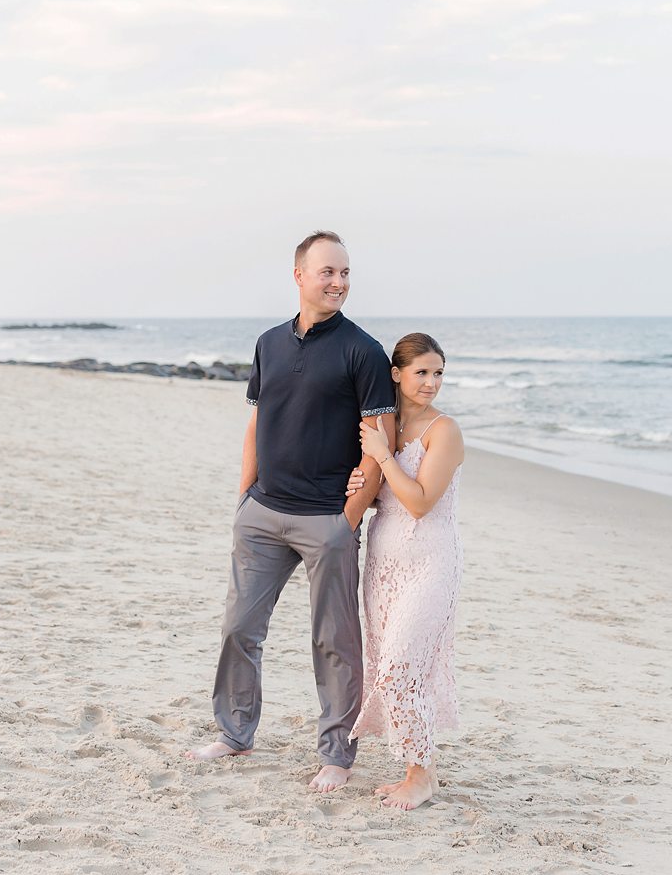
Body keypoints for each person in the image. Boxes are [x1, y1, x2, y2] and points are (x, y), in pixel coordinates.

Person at [185, 231, 397, 794]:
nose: (339, 282)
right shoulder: (268, 343)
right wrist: (243, 498)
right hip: (262, 512)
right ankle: (234, 734)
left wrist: (346, 519)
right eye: (328, 272)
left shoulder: (364, 351)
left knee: (334, 640)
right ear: (299, 275)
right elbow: (258, 421)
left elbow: (381, 440)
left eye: (346, 273)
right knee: (239, 628)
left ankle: (336, 754)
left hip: (325, 519)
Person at [350, 332, 464, 810]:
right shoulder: (385, 427)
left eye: (438, 373)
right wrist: (363, 477)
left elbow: (418, 501)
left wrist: (379, 456)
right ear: (396, 374)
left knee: (402, 667)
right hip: (383, 562)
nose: (431, 382)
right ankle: (421, 772)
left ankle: (421, 774)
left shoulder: (445, 431)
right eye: (421, 372)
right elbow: (381, 494)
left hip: (431, 562)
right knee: (389, 665)